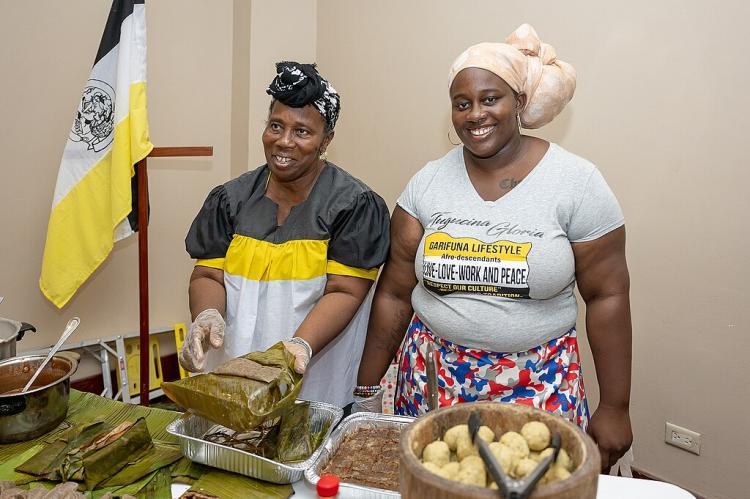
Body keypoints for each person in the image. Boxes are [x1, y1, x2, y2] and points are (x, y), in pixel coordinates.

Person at [354, 24, 632, 471]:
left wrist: (615, 406)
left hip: (539, 389)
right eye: (462, 104)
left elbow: (607, 296)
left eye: (490, 99)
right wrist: (366, 390)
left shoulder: (576, 183)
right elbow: (393, 293)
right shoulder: (426, 183)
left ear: (519, 102)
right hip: (431, 383)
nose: (475, 114)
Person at [179, 61, 390, 407]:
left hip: (312, 378)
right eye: (276, 126)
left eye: (302, 132)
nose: (284, 141)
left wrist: (299, 347)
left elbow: (346, 291)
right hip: (234, 371)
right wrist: (207, 315)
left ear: (326, 140)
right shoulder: (230, 199)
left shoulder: (354, 206)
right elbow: (208, 274)